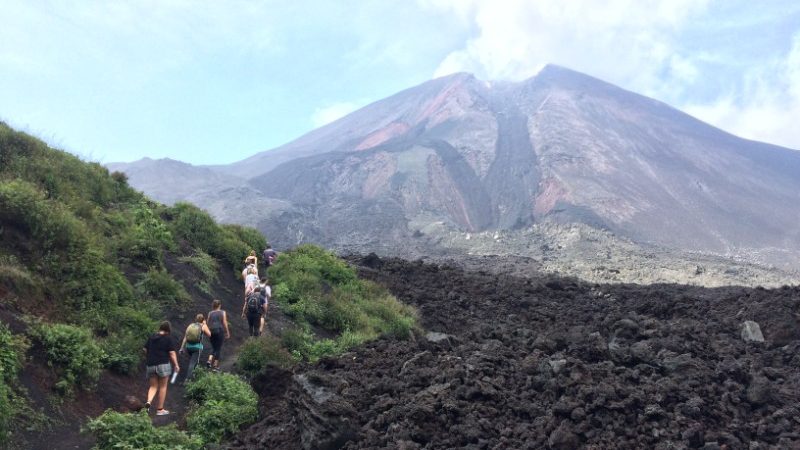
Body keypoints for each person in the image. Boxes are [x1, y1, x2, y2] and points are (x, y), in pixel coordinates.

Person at [143, 321, 179, 416]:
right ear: (168, 330)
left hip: (150, 364)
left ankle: (149, 402)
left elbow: (145, 349)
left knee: (153, 386)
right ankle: (160, 409)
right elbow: (172, 353)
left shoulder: (151, 337)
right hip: (163, 364)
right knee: (163, 387)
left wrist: (149, 357)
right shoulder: (168, 338)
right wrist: (176, 365)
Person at [179, 314, 211, 383]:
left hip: (188, 347)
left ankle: (192, 376)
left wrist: (182, 348)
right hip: (197, 347)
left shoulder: (190, 325)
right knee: (193, 363)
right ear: (203, 320)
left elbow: (185, 337)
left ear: (196, 319)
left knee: (193, 361)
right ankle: (188, 380)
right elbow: (209, 334)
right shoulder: (203, 326)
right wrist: (205, 324)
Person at [206, 299, 230, 371]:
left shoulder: (210, 313)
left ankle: (209, 360)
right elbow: (224, 323)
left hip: (211, 331)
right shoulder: (223, 312)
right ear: (219, 305)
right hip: (219, 331)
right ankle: (215, 366)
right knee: (218, 348)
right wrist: (227, 332)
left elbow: (207, 323)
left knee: (213, 347)